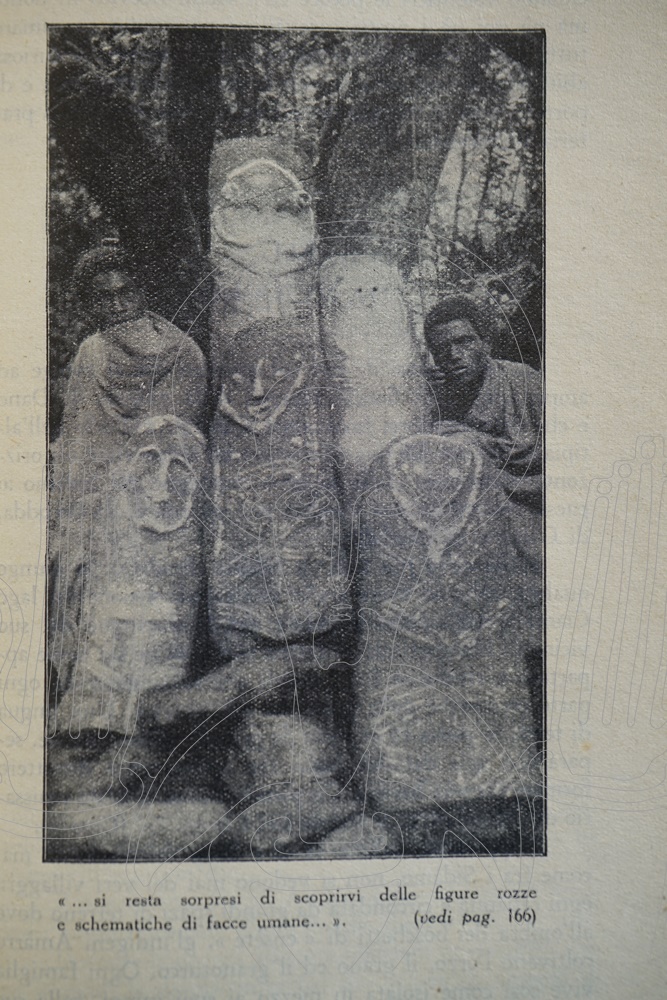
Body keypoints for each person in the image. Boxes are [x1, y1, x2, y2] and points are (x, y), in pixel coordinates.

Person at [423, 295, 542, 506]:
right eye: (441, 347)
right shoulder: (436, 395)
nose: (454, 354)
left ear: (485, 343)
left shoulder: (523, 380)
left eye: (464, 342)